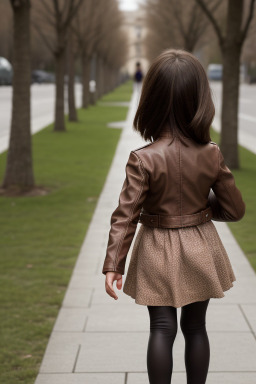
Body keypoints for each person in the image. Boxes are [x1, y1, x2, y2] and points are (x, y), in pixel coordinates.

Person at [102, 49, 246, 384]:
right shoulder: (211, 154)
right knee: (196, 327)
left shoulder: (143, 159)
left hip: (155, 247)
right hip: (200, 244)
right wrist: (202, 200)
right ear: (199, 99)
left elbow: (125, 216)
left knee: (162, 328)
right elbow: (234, 209)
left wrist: (113, 265)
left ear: (151, 99)